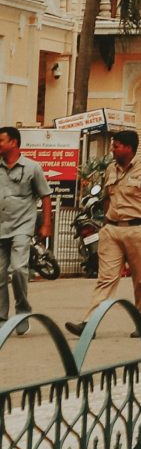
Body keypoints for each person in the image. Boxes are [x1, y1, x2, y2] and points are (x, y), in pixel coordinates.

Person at [91, 130, 141, 319]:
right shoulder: (110, 169)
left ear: (129, 148)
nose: (112, 150)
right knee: (106, 279)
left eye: (116, 146)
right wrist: (106, 223)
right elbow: (107, 196)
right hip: (113, 230)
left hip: (138, 229)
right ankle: (89, 322)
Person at [0, 128, 50, 316]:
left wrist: (46, 224)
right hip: (0, 226)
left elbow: (45, 196)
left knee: (19, 270)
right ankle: (1, 316)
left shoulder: (32, 167)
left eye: (1, 141)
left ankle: (22, 310)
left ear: (13, 142)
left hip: (22, 226)